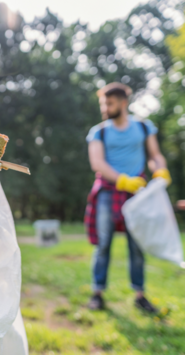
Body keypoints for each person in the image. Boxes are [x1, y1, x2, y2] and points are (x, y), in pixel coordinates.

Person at [84, 82, 171, 312]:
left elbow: (155, 156)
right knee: (103, 245)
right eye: (103, 103)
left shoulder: (143, 127)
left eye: (109, 103)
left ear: (123, 103)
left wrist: (160, 170)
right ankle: (97, 293)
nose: (105, 107)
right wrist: (122, 179)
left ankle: (140, 295)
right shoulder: (99, 131)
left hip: (137, 193)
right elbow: (97, 163)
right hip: (108, 192)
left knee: (137, 245)